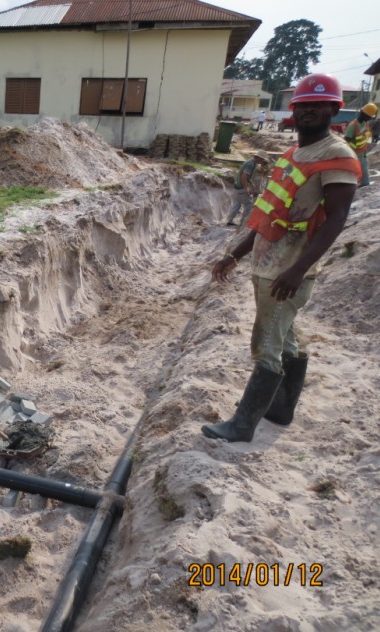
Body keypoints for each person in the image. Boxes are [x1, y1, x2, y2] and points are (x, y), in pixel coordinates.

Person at [202, 73, 361, 443]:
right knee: (287, 338)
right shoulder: (294, 154)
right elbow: (265, 214)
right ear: (294, 110)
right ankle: (282, 409)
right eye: (304, 105)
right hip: (268, 263)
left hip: (287, 270)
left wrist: (298, 270)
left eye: (318, 105)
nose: (309, 111)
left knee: (266, 345)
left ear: (333, 109)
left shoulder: (336, 155)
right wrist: (234, 255)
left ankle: (242, 426)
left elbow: (337, 217)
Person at [225, 150, 270, 226]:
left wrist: (252, 185)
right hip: (241, 188)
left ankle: (230, 220)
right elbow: (244, 176)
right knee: (249, 204)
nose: (262, 161)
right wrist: (246, 189)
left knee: (237, 204)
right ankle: (243, 222)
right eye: (262, 159)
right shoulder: (251, 164)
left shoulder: (250, 162)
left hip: (237, 186)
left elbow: (246, 177)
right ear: (259, 158)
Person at [344, 103, 377, 187]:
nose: (369, 119)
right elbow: (346, 141)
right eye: (369, 117)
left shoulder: (364, 124)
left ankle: (364, 186)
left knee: (364, 175)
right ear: (364, 114)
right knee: (352, 175)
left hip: (363, 153)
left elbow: (364, 137)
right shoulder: (353, 126)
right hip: (355, 155)